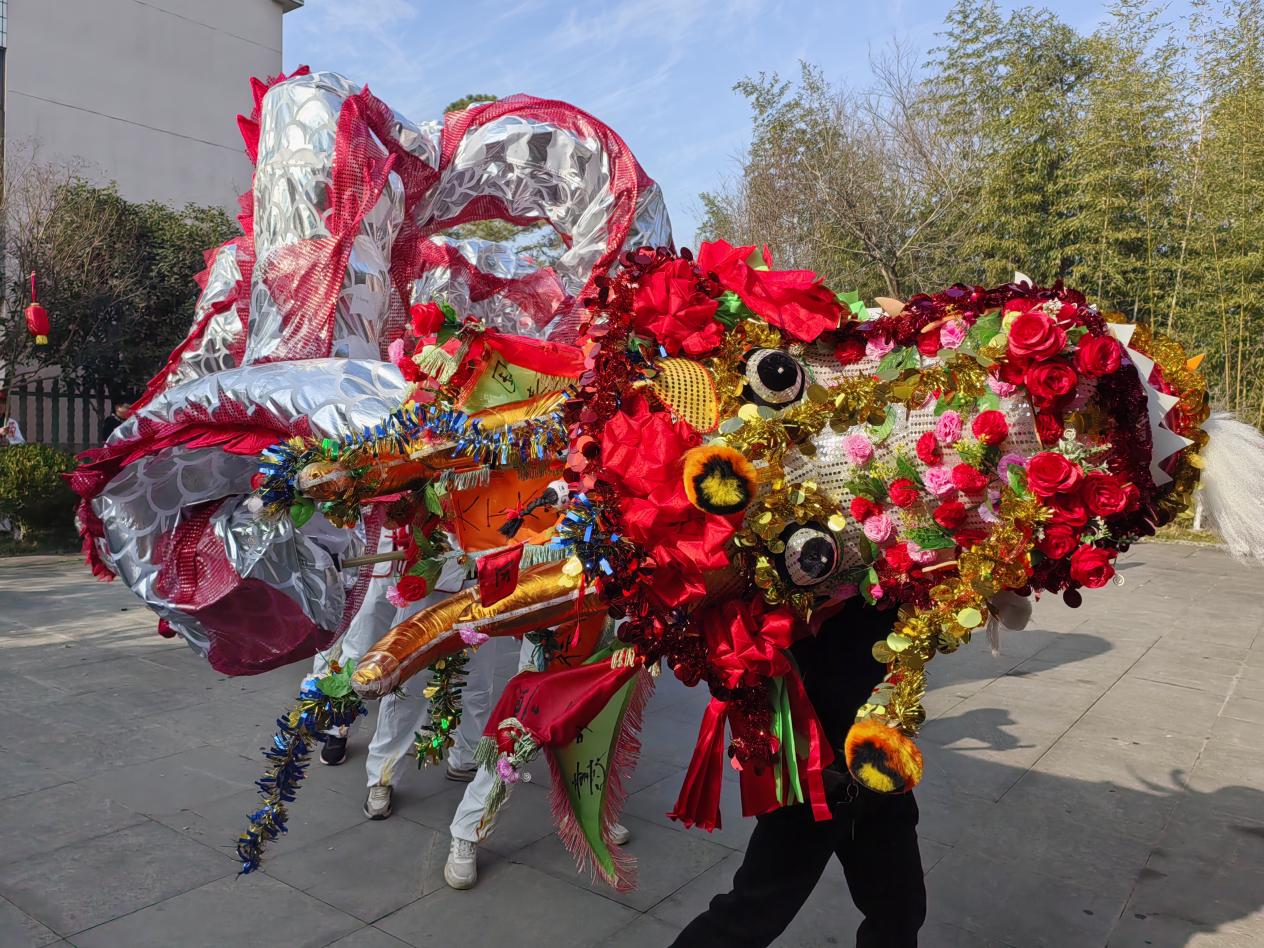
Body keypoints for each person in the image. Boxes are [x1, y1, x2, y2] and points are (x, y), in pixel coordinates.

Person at [670, 600, 926, 948]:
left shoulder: (897, 576)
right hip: (815, 772)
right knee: (749, 918)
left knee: (900, 912)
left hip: (880, 758)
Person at [312, 530, 506, 819]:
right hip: (419, 568)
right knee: (400, 678)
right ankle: (381, 775)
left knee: (477, 680)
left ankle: (467, 755)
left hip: (483, 573)